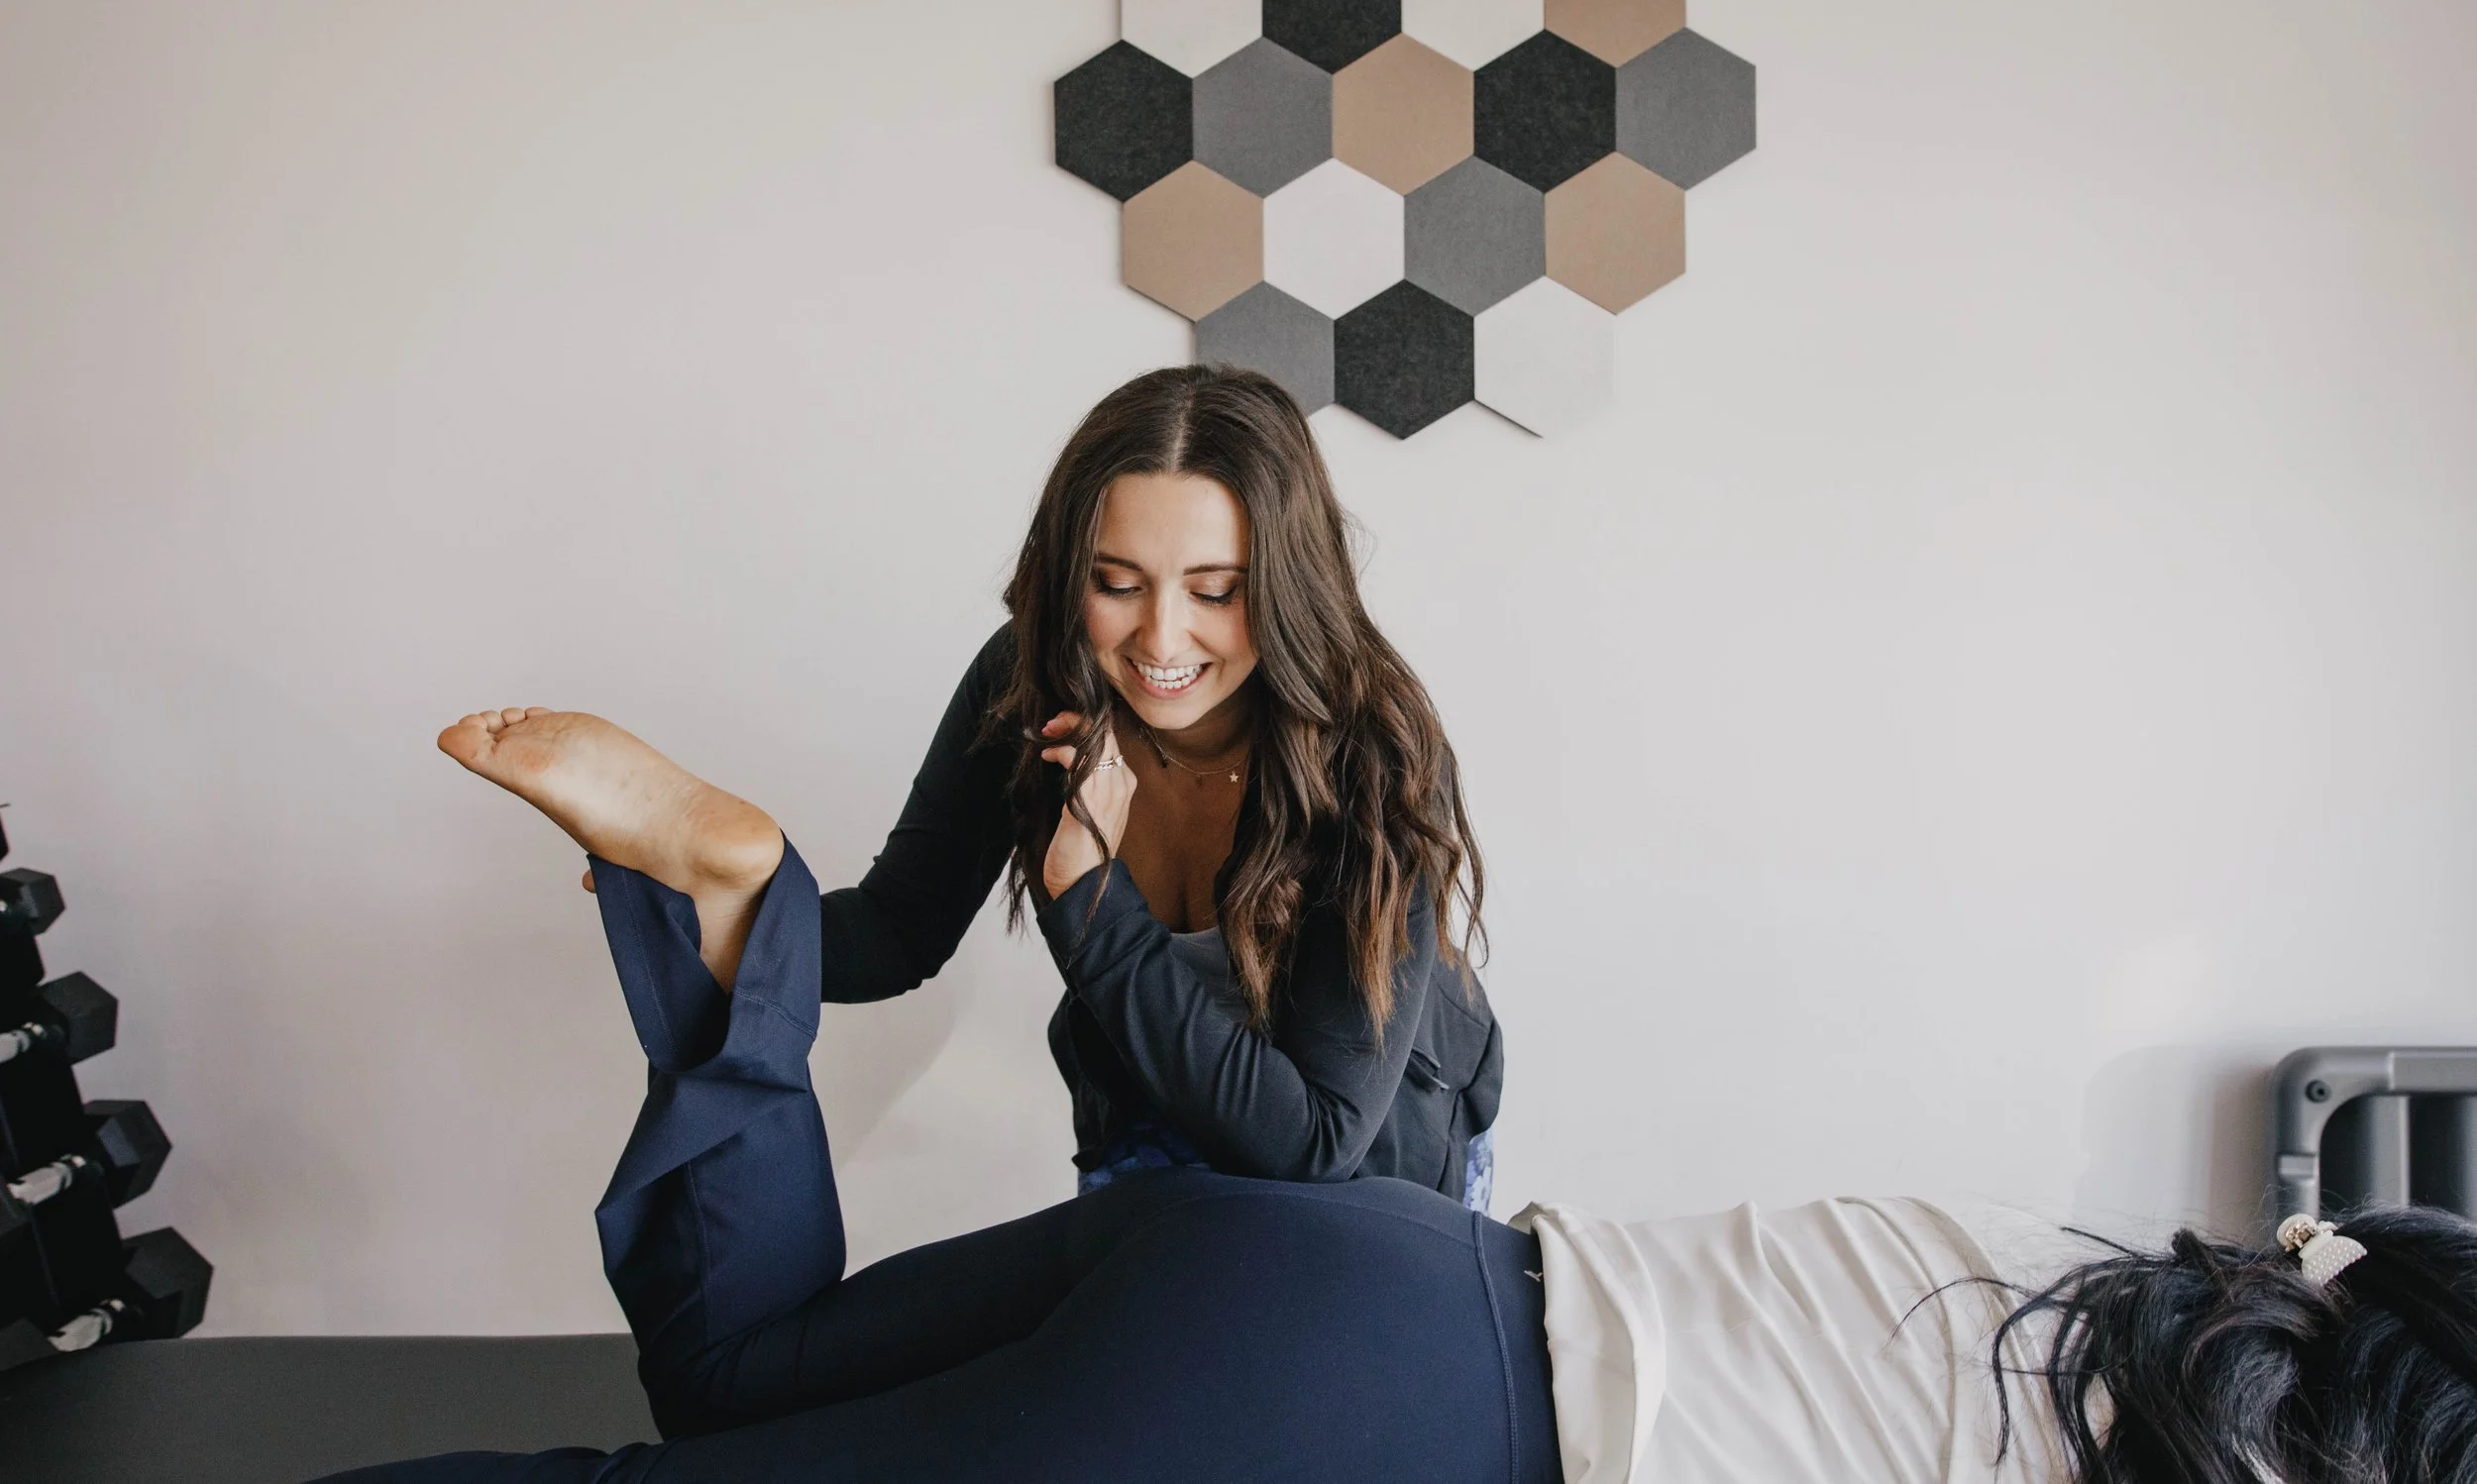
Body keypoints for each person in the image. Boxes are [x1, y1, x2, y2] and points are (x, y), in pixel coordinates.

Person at [353, 725, 2477, 1483]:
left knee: (735, 1379)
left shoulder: (2064, 1267)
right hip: (1349, 1396)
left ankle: (735, 916)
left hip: (1322, 1262)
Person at [567, 364, 1502, 1205]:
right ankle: (744, 860)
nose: (1162, 640)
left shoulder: (1375, 756)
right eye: (1116, 582)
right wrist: (712, 911)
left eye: (1216, 590)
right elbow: (895, 934)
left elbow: (1313, 1144)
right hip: (1149, 1118)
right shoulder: (1030, 684)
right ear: (1067, 573)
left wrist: (1086, 892)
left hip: (1364, 1172)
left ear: (1289, 584)